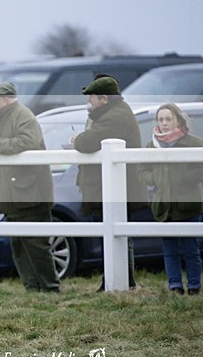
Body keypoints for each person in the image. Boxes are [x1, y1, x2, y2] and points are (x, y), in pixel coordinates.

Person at [0, 82, 60, 292]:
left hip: (31, 191)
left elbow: (26, 142)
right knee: (18, 244)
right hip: (9, 192)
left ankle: (50, 288)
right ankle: (32, 288)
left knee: (37, 244)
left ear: (5, 99)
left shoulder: (23, 115)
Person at [73, 75, 149, 291]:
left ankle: (121, 282)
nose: (90, 103)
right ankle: (120, 281)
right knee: (115, 234)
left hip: (115, 188)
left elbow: (87, 142)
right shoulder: (116, 113)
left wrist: (78, 139)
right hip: (109, 186)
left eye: (92, 99)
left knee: (116, 235)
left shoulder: (114, 117)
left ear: (104, 98)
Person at [137, 103, 203, 295]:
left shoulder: (194, 143)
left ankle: (193, 285)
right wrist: (154, 179)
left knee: (190, 248)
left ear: (177, 120)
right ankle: (174, 286)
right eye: (161, 119)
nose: (164, 123)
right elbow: (141, 171)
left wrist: (187, 177)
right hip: (164, 206)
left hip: (188, 205)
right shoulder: (151, 145)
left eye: (168, 119)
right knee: (169, 249)